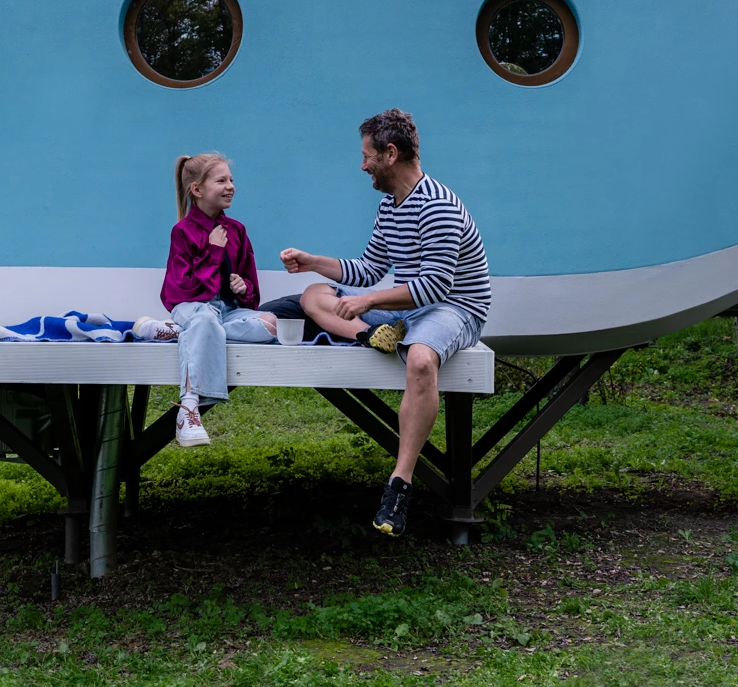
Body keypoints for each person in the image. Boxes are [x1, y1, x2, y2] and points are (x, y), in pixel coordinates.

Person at [279, 110, 490, 536]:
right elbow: (371, 267)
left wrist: (368, 301)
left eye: (366, 156)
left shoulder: (439, 206)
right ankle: (374, 335)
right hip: (405, 307)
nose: (362, 166)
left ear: (390, 154)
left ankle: (400, 484)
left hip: (455, 306)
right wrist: (313, 263)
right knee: (312, 296)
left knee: (419, 361)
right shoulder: (389, 204)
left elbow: (433, 286)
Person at [151, 153, 277, 447]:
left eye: (231, 180)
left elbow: (252, 294)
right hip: (191, 307)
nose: (230, 186)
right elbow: (182, 290)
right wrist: (213, 252)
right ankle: (189, 408)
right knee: (204, 318)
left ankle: (178, 333)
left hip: (225, 313)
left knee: (269, 325)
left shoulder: (237, 230)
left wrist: (242, 287)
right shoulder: (182, 231)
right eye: (221, 180)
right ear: (197, 190)